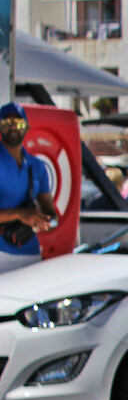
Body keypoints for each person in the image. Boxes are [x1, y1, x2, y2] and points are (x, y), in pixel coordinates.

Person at [0, 102, 56, 274]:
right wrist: (19, 214)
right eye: (6, 123)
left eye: (18, 123)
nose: (12, 127)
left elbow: (51, 212)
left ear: (27, 127)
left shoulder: (37, 166)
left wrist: (45, 221)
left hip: (30, 251)